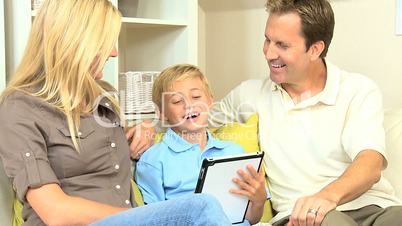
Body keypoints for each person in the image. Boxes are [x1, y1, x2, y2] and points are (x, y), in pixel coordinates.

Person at [0, 0, 232, 225]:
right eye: (106, 43)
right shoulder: (20, 108)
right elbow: (55, 212)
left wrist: (146, 128)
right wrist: (140, 217)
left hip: (129, 219)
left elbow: (103, 144)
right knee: (202, 207)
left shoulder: (104, 97)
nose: (113, 53)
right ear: (76, 43)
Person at [208, 0, 402, 226]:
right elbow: (193, 121)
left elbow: (370, 164)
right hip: (302, 217)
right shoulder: (249, 94)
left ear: (315, 49)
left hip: (374, 207)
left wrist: (326, 197)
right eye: (267, 40)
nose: (269, 53)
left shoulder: (357, 89)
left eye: (282, 45)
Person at [135, 64, 267, 225]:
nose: (189, 105)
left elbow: (250, 219)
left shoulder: (234, 152)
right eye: (177, 101)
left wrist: (259, 201)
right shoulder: (154, 159)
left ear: (210, 100)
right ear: (161, 113)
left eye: (196, 97)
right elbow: (152, 219)